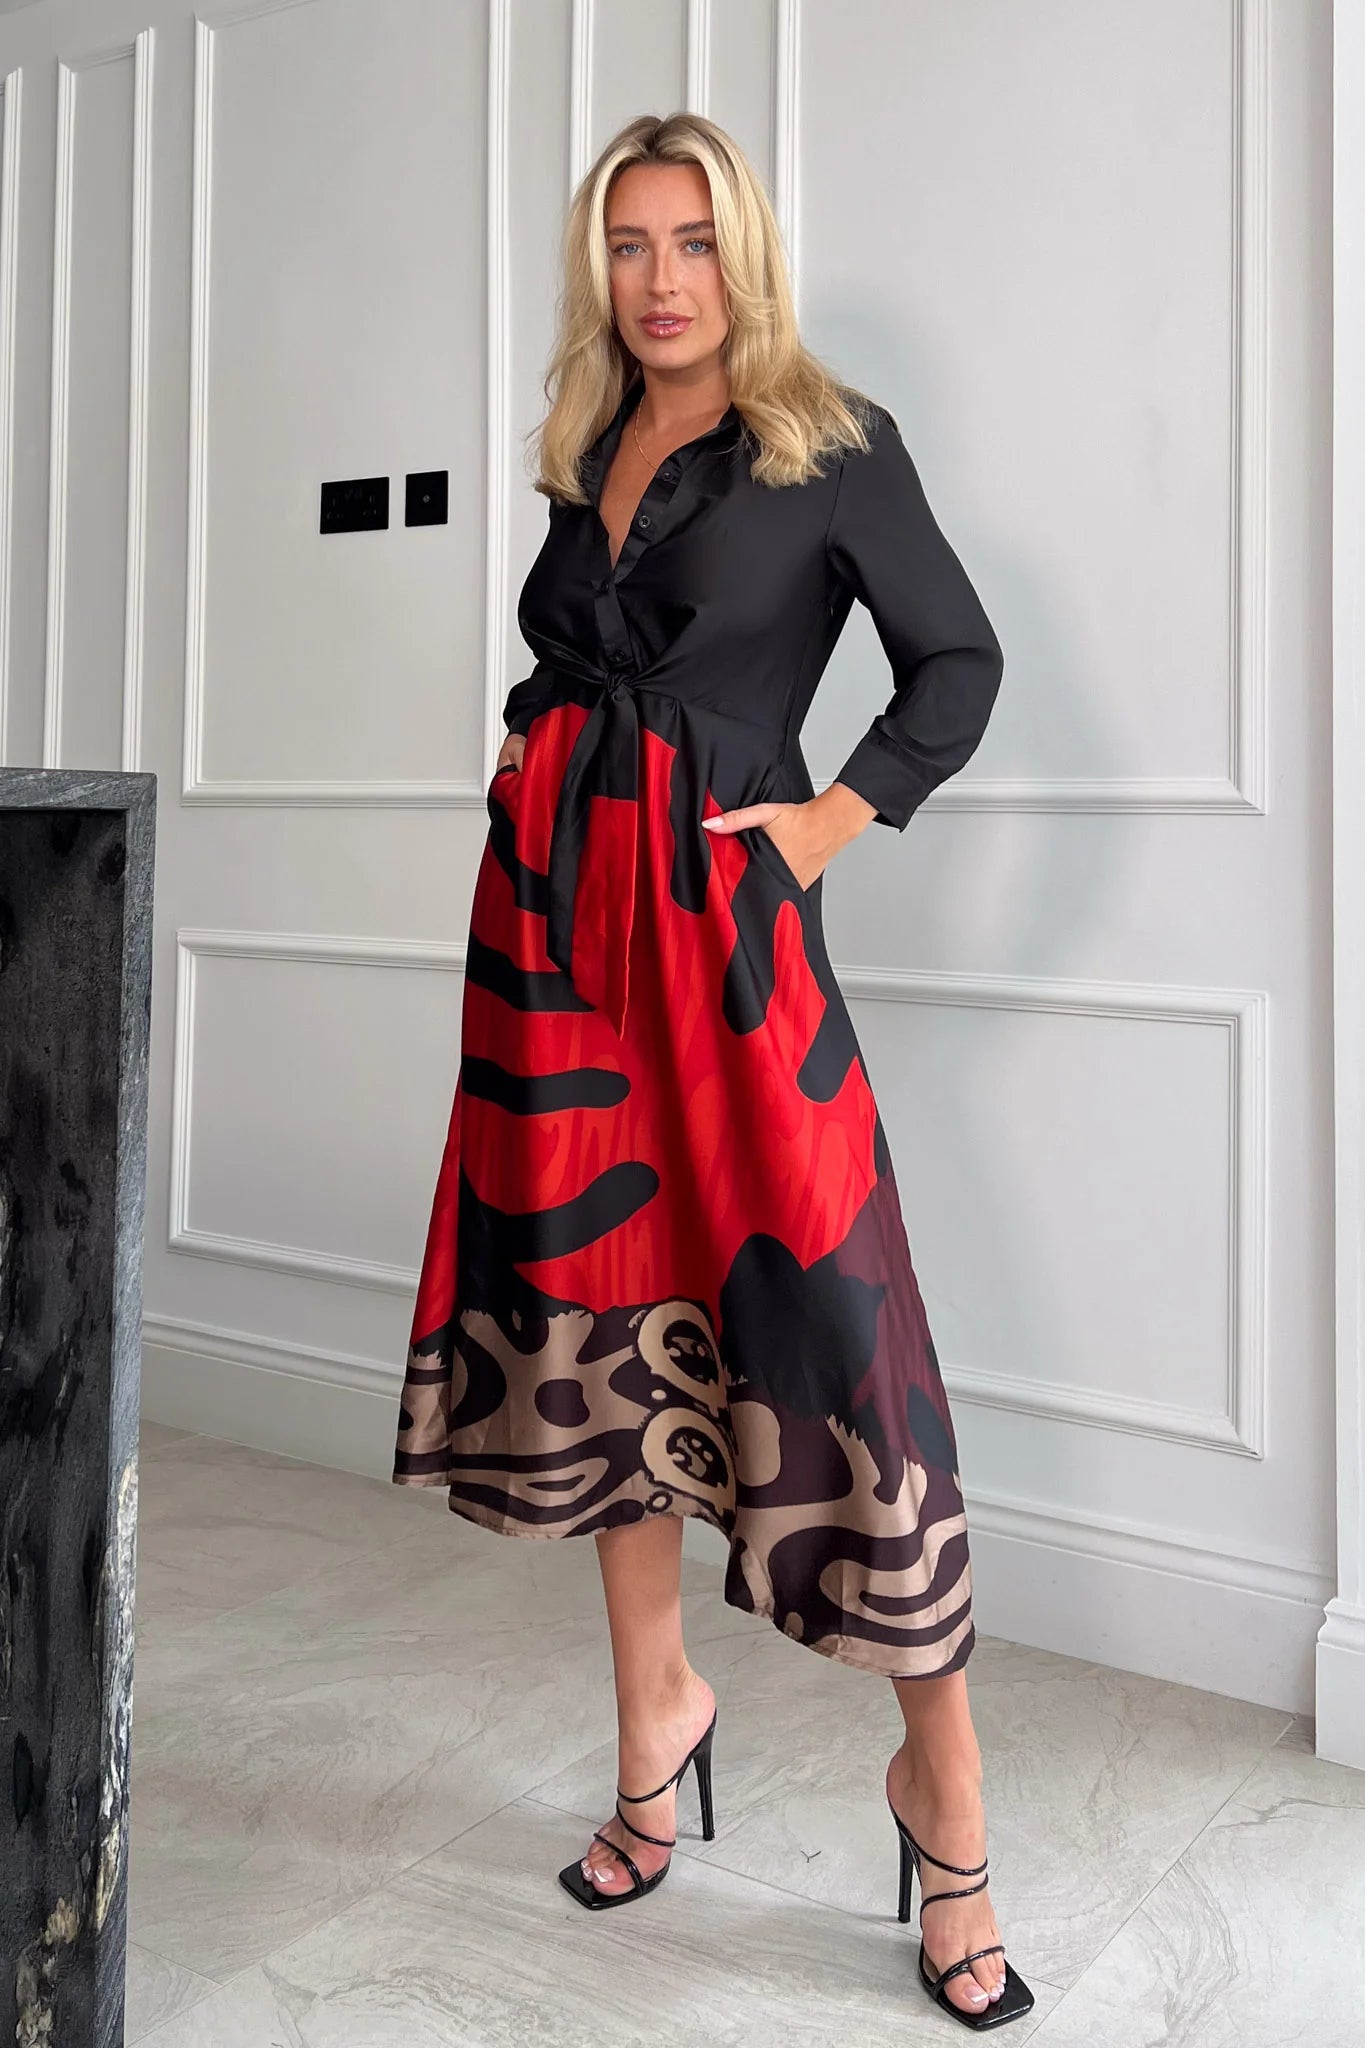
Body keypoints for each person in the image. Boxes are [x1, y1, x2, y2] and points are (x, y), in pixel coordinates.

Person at [392, 110, 1030, 2029]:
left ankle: (946, 1800)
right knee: (600, 1308)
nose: (660, 279)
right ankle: (653, 1717)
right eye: (628, 244)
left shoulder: (831, 444)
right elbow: (579, 664)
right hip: (555, 939)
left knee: (834, 1330)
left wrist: (832, 820)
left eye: (691, 240)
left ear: (743, 253)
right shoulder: (587, 443)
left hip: (724, 944)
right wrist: (531, 765)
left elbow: (956, 663)